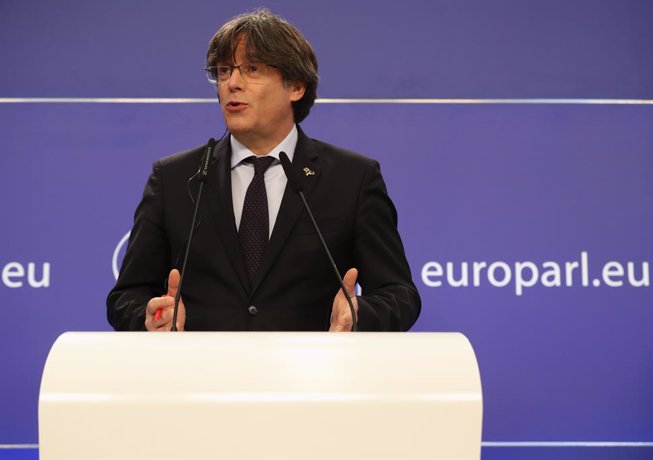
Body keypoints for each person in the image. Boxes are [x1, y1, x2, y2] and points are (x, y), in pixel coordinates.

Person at [107, 9, 420, 332]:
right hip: (202, 376)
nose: (232, 83)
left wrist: (358, 314)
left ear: (296, 86)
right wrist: (149, 316)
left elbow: (399, 295)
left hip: (309, 376)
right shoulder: (175, 179)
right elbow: (126, 295)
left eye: (251, 69)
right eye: (224, 70)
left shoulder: (352, 179)